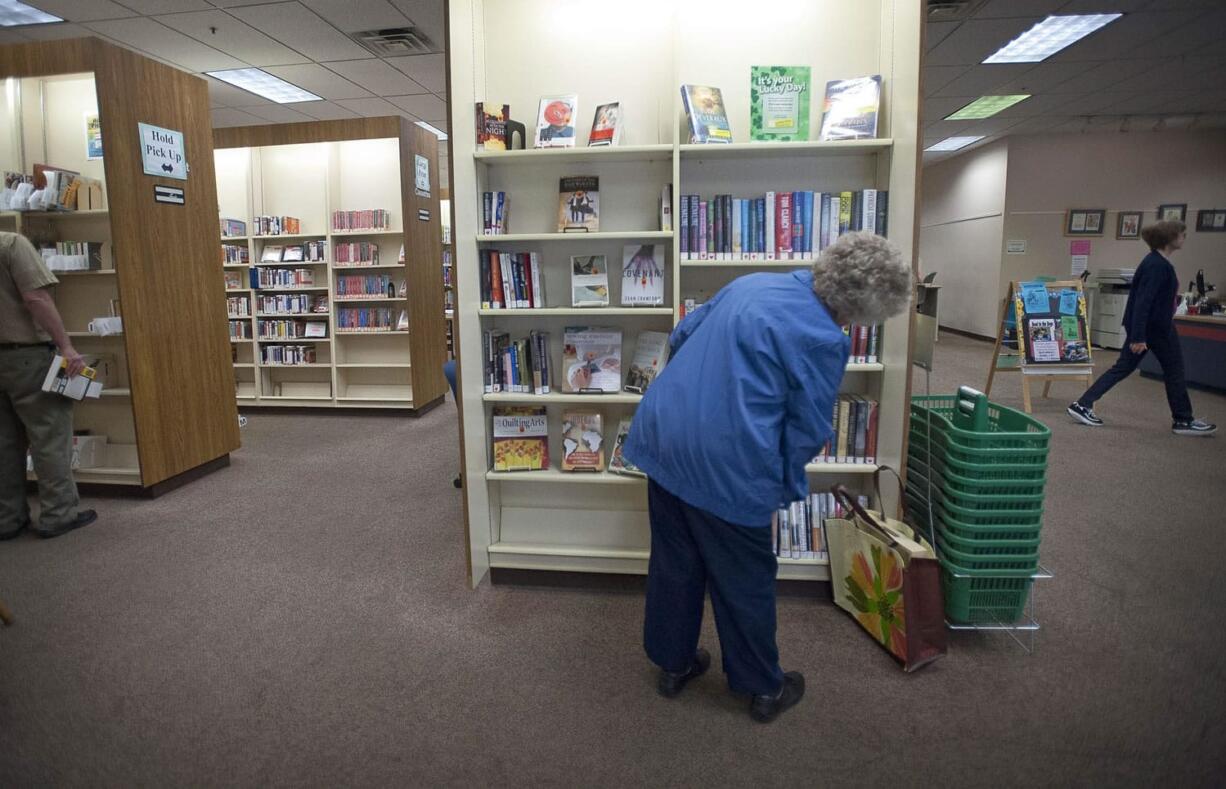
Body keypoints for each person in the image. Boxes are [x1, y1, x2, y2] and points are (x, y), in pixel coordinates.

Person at [623, 232, 913, 723]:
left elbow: (681, 336)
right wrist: (780, 484)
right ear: (867, 311)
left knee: (675, 560)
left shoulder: (750, 284)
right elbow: (806, 429)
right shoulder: (825, 339)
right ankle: (762, 687)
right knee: (746, 579)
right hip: (729, 464)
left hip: (664, 436)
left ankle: (673, 666)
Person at [1067, 220, 1216, 436]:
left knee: (1123, 368)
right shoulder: (1158, 266)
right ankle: (1183, 420)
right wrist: (1138, 336)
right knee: (1174, 371)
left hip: (1152, 328)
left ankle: (1083, 404)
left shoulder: (1156, 262)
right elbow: (1143, 302)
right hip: (1155, 330)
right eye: (1182, 234)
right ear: (1171, 238)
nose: (1184, 238)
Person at [0, 231, 98, 540]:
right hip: (26, 356)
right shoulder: (11, 244)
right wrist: (66, 347)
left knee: (3, 443)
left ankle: (8, 518)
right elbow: (36, 297)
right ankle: (58, 514)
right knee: (49, 434)